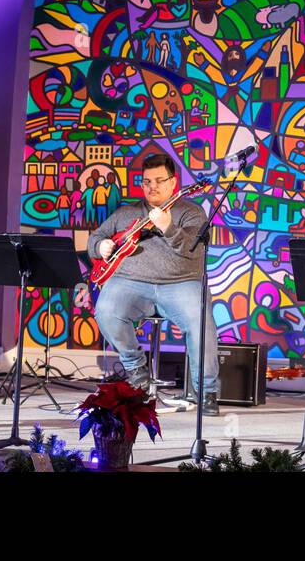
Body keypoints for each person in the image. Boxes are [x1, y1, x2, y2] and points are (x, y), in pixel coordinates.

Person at [87, 154, 220, 415]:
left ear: (173, 182)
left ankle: (206, 390)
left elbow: (195, 252)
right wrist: (99, 246)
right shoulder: (127, 212)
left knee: (200, 320)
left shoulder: (192, 212)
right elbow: (96, 237)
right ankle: (137, 370)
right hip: (131, 281)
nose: (152, 187)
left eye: (159, 181)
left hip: (180, 283)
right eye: (147, 181)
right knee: (106, 311)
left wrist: (169, 227)